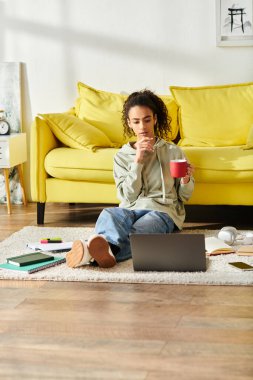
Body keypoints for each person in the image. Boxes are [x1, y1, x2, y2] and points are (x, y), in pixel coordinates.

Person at [66, 89, 194, 269]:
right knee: (108, 214)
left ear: (155, 119)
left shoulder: (173, 152)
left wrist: (186, 178)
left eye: (147, 119)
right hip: (131, 208)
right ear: (129, 124)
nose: (142, 126)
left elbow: (184, 196)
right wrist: (138, 161)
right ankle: (102, 251)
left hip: (161, 211)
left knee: (140, 233)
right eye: (136, 121)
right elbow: (127, 197)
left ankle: (90, 253)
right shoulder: (122, 156)